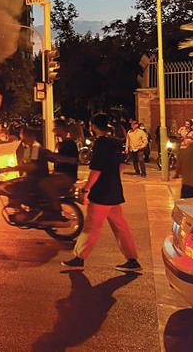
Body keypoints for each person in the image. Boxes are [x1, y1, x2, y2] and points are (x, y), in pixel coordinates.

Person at [62, 113, 141, 272]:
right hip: (114, 190)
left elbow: (96, 170)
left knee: (91, 226)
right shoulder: (115, 142)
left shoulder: (100, 144)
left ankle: (79, 258)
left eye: (91, 125)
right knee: (120, 226)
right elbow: (120, 166)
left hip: (101, 193)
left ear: (94, 126)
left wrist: (86, 188)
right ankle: (132, 260)